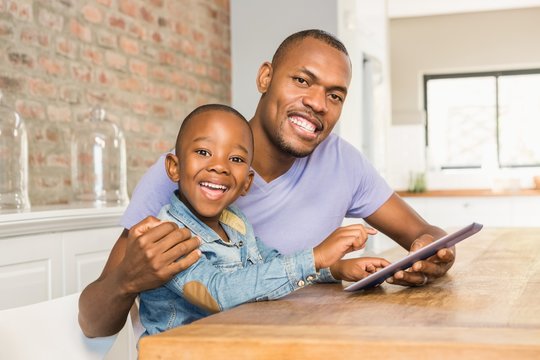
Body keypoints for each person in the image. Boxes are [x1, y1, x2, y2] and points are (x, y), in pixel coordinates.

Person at [79, 29, 453, 338]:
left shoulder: (243, 219)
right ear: (265, 78)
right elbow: (95, 323)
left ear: (247, 185)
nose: (318, 103)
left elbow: (422, 233)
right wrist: (127, 279)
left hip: (284, 342)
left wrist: (430, 252)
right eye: (302, 80)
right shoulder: (180, 182)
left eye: (334, 95)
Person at [138, 103, 389, 337]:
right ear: (174, 168)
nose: (219, 167)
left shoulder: (234, 221)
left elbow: (270, 264)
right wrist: (315, 256)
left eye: (235, 159)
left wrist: (334, 269)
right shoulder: (167, 235)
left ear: (247, 183)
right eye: (204, 152)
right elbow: (216, 293)